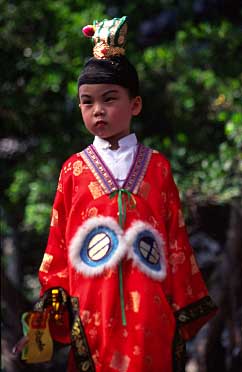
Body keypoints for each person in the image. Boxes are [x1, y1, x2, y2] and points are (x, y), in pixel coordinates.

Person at [14, 16, 217, 372]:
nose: (98, 110)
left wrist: (183, 307)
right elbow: (57, 250)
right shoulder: (73, 170)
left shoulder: (158, 167)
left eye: (109, 99)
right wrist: (44, 320)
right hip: (89, 312)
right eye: (87, 102)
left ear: (135, 105)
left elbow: (176, 244)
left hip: (152, 315)